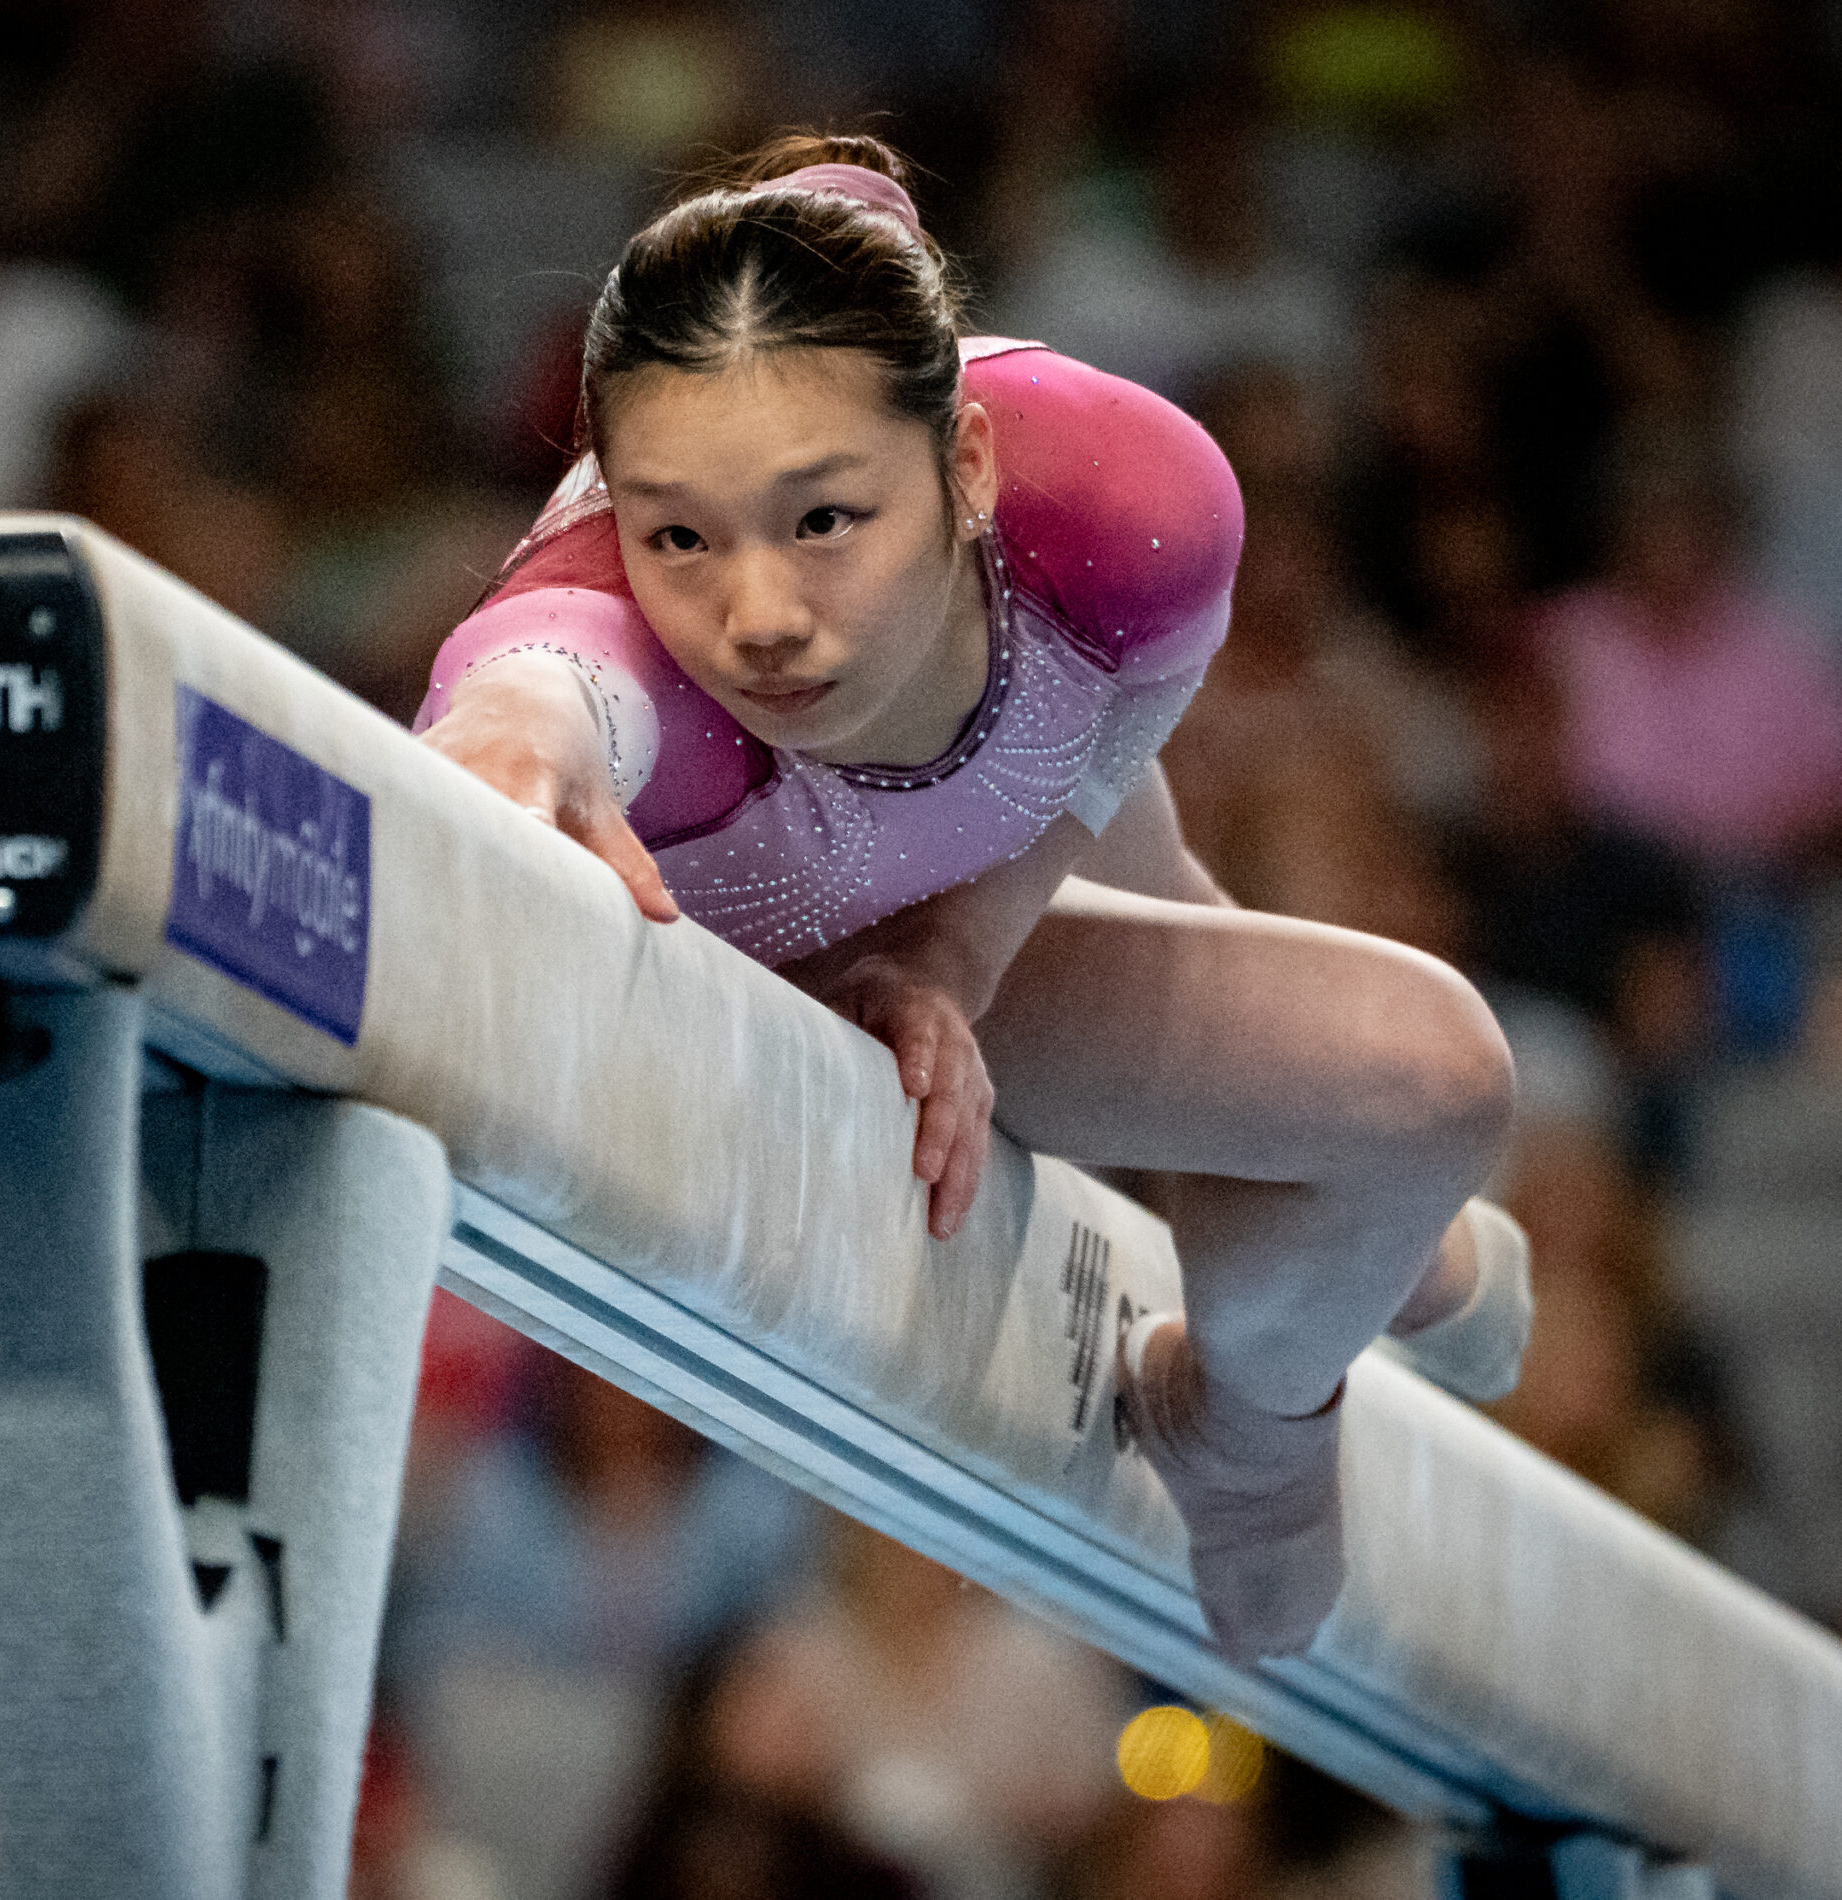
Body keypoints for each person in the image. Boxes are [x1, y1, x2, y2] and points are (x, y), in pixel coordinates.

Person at [414, 136, 1529, 1661]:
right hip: (795, 950)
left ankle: (1279, 1376)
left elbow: (1132, 710)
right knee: (1416, 1076)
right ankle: (1322, 1336)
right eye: (678, 534)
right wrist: (509, 735)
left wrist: (957, 951)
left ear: (968, 466)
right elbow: (538, 688)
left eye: (824, 521)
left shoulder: (1128, 503)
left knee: (1352, 1018)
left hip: (983, 853)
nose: (756, 617)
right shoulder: (612, 636)